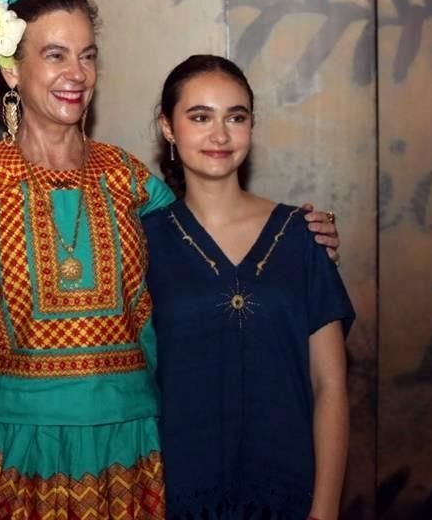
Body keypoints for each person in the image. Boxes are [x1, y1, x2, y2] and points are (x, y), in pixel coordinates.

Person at [0, 0, 340, 518]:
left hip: (128, 455)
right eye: (54, 55)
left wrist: (300, 238)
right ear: (12, 67)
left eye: (87, 55)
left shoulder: (131, 181)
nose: (75, 74)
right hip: (12, 454)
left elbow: (210, 241)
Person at [143, 54, 354, 519]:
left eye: (235, 117)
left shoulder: (302, 236)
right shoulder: (144, 243)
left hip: (290, 496)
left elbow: (331, 387)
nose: (220, 135)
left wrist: (324, 512)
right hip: (175, 496)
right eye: (200, 117)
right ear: (168, 128)